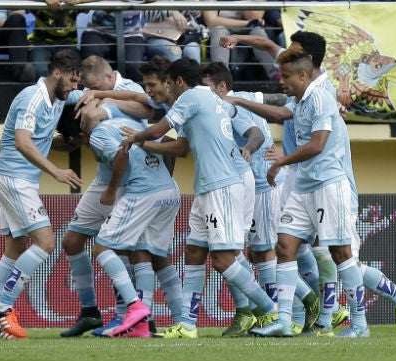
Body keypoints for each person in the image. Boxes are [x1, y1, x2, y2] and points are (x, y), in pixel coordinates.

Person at [225, 30, 396, 337]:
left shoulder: (322, 96)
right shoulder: (301, 90)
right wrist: (239, 99)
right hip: (303, 183)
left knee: (342, 256)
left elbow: (317, 145)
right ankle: (285, 321)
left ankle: (361, 320)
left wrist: (281, 160)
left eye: (286, 77)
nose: (281, 82)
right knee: (286, 246)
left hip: (331, 185)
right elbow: (281, 111)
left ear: (306, 68)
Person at [124, 58, 279, 339]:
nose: (169, 90)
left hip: (223, 184)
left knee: (223, 259)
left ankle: (271, 311)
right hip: (208, 185)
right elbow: (181, 147)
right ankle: (187, 323)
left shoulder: (192, 96)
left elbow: (160, 129)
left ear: (180, 82)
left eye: (170, 84)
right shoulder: (211, 100)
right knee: (194, 252)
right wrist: (143, 141)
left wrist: (136, 137)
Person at [0, 49, 85, 340]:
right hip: (15, 178)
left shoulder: (58, 97)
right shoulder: (33, 98)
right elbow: (23, 142)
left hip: (15, 178)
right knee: (46, 242)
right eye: (73, 81)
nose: (75, 87)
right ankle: (1, 310)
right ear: (57, 73)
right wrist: (56, 171)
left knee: (14, 250)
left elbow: (91, 97)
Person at [58, 55, 152, 338]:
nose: (91, 93)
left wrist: (105, 104)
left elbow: (148, 109)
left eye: (96, 87)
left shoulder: (132, 88)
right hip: (105, 174)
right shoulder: (88, 91)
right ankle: (89, 312)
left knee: (119, 248)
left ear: (110, 79)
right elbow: (64, 92)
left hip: (128, 179)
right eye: (88, 88)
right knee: (72, 240)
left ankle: (129, 315)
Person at [200, 61, 283, 337]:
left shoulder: (226, 105)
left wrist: (248, 148)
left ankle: (280, 311)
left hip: (261, 183)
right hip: (255, 181)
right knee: (252, 252)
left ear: (222, 87)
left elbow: (256, 134)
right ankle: (263, 312)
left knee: (261, 251)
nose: (203, 93)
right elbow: (277, 100)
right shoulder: (248, 96)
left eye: (207, 88)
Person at [76, 115, 176, 339]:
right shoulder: (137, 119)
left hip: (142, 193)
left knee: (102, 249)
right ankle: (170, 323)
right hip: (169, 190)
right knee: (146, 254)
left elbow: (122, 156)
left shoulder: (100, 133)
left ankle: (136, 308)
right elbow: (170, 142)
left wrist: (111, 190)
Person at [202, 0, 278, 81]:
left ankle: (277, 77)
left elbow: (254, 16)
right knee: (219, 31)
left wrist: (249, 23)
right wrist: (247, 23)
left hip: (249, 27)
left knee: (258, 31)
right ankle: (221, 79)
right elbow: (211, 21)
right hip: (222, 27)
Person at [29, 0, 96, 78]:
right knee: (41, 71)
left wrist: (79, 0)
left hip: (68, 43)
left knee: (74, 71)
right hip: (41, 43)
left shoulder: (72, 2)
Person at [80, 9, 147, 82]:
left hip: (132, 34)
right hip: (98, 32)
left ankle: (132, 91)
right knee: (91, 62)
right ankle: (93, 92)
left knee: (134, 67)